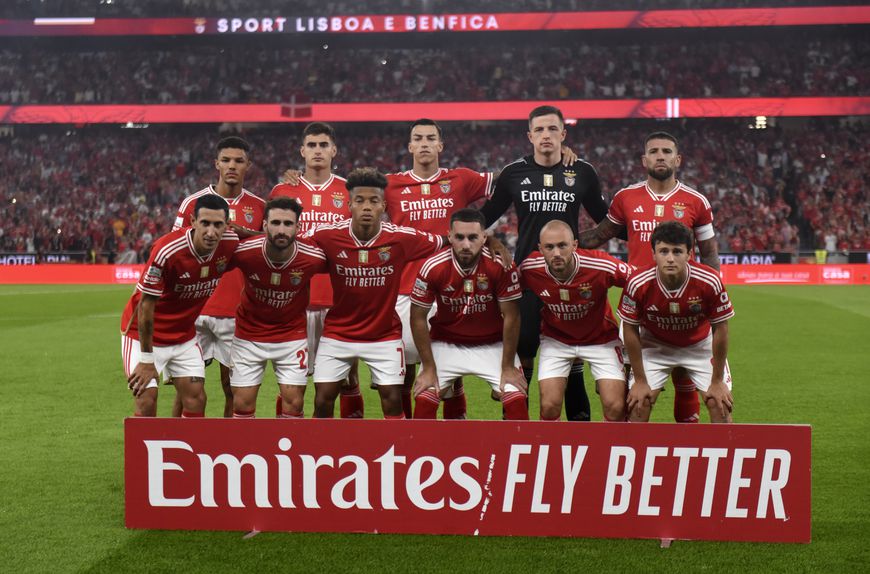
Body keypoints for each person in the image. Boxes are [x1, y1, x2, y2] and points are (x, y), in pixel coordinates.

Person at [578, 131, 719, 424]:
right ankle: (628, 454)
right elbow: (597, 236)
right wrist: (556, 240)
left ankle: (687, 448)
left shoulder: (696, 201)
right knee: (635, 392)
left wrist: (712, 297)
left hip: (683, 303)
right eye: (654, 151)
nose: (660, 156)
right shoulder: (626, 198)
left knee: (685, 377)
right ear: (644, 160)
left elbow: (709, 255)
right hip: (640, 305)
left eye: (667, 151)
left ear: (677, 159)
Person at [479, 105, 610, 421]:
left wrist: (582, 247)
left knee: (572, 358)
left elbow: (607, 222)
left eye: (553, 129)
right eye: (539, 130)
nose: (546, 135)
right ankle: (518, 434)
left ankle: (578, 436)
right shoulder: (513, 173)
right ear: (529, 136)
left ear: (563, 134)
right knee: (523, 355)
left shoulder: (582, 171)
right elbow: (482, 218)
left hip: (571, 279)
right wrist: (494, 242)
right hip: (527, 278)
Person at [304, 167, 445, 419]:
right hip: (338, 333)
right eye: (359, 201)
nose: (366, 207)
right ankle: (324, 453)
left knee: (392, 400)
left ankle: (396, 454)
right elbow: (286, 240)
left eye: (373, 201)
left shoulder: (402, 238)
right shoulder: (327, 235)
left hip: (384, 335)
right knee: (323, 399)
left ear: (383, 206)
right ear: (349, 204)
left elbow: (447, 240)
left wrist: (489, 240)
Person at [269, 122, 361, 418]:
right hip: (294, 301)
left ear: (334, 150)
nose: (318, 150)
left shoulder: (349, 190)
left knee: (346, 379)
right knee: (290, 385)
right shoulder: (283, 190)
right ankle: (287, 448)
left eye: (323, 145)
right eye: (312, 145)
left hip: (338, 300)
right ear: (302, 151)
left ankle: (345, 447)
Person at [171, 136, 265, 417]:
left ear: (248, 165)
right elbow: (174, 250)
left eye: (238, 161)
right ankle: (175, 442)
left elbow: (268, 246)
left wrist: (245, 234)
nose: (232, 166)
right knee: (185, 387)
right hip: (194, 307)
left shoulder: (260, 206)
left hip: (235, 310)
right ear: (217, 164)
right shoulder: (193, 203)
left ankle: (227, 448)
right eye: (226, 160)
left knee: (232, 387)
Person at [121, 194, 238, 417]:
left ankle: (183, 452)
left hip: (183, 336)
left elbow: (251, 237)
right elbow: (146, 306)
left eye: (218, 225)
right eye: (205, 223)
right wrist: (147, 361)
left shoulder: (230, 243)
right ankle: (147, 452)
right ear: (193, 221)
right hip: (142, 336)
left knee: (196, 399)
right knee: (146, 399)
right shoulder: (168, 250)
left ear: (227, 226)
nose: (211, 232)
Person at [411, 209, 526, 420]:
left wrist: (508, 367)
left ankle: (516, 452)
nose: (466, 244)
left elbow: (512, 316)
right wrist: (428, 367)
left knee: (517, 399)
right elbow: (417, 317)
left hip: (493, 344)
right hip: (446, 342)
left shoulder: (501, 265)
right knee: (424, 400)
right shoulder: (432, 267)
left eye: (473, 237)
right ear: (450, 237)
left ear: (484, 237)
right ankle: (426, 452)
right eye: (459, 237)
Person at [617, 221, 734, 423]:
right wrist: (640, 381)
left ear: (689, 254)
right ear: (653, 254)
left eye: (677, 252)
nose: (670, 258)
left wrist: (717, 381)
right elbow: (630, 329)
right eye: (663, 251)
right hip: (655, 346)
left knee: (720, 405)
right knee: (639, 404)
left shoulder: (709, 281)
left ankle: (723, 454)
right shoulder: (638, 282)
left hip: (699, 345)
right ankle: (635, 453)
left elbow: (721, 329)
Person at [519, 221, 631, 421]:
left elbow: (639, 281)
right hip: (556, 340)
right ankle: (552, 450)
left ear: (575, 245)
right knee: (549, 405)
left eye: (562, 245)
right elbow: (502, 287)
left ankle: (609, 451)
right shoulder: (529, 267)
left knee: (615, 406)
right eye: (549, 247)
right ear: (540, 248)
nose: (556, 253)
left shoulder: (600, 265)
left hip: (601, 339)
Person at [228, 197, 327, 419]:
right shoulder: (244, 252)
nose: (281, 230)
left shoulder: (313, 257)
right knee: (242, 404)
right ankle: (246, 453)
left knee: (294, 403)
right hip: (249, 334)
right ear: (264, 226)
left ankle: (287, 453)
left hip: (291, 335)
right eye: (275, 223)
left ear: (298, 227)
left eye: (288, 224)